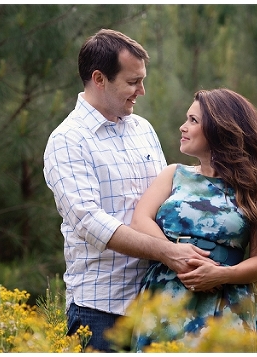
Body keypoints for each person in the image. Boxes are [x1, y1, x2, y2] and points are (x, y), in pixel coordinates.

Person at [43, 29, 217, 352]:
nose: (142, 91)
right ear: (99, 79)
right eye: (133, 82)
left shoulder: (143, 130)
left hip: (159, 303)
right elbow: (91, 223)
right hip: (100, 313)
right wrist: (168, 252)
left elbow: (167, 204)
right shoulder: (67, 141)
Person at [130, 88, 257, 352]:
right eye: (187, 119)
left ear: (220, 129)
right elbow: (140, 222)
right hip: (166, 298)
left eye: (193, 121)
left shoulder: (254, 188)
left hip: (226, 304)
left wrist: (221, 274)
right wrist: (174, 255)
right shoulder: (174, 174)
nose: (183, 127)